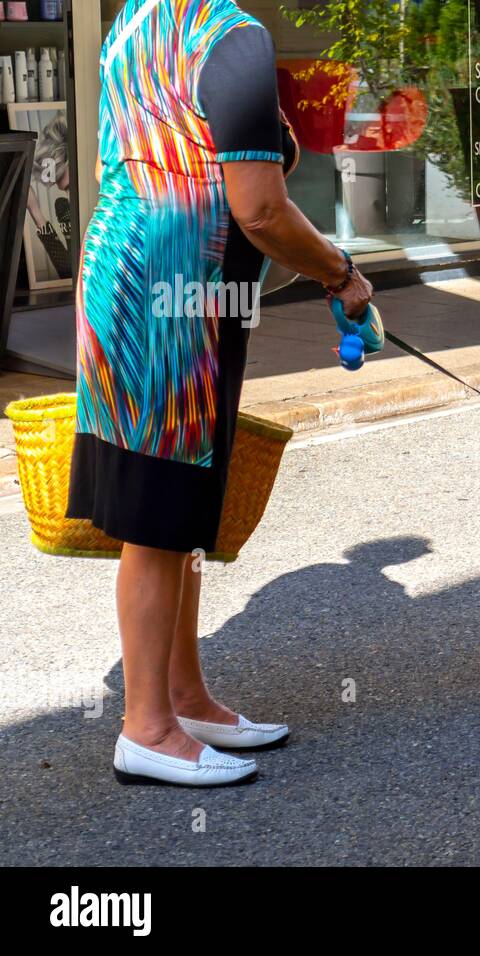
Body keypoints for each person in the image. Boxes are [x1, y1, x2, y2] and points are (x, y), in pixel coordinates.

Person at [68, 0, 374, 787]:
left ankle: (183, 696)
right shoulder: (233, 38)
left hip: (126, 273)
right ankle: (146, 730)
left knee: (179, 507)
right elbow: (261, 209)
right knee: (159, 514)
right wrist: (341, 273)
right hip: (178, 294)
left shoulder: (133, 25)